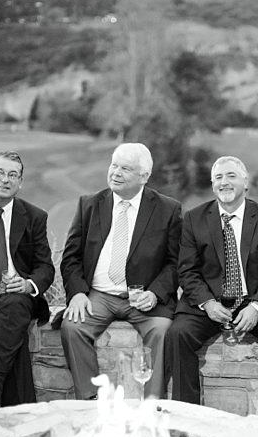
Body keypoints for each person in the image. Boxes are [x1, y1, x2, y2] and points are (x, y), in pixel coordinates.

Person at [166, 156, 258, 417]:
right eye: (218, 178)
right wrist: (207, 303)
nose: (224, 182)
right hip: (210, 301)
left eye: (231, 176)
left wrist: (257, 306)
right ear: (213, 185)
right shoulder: (194, 219)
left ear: (245, 182)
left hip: (256, 299)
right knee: (178, 334)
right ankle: (188, 414)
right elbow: (187, 270)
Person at [59, 143, 182, 400]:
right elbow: (71, 256)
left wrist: (155, 294)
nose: (115, 172)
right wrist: (78, 293)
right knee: (73, 327)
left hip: (143, 298)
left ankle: (152, 403)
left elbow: (175, 262)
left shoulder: (167, 209)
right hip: (99, 295)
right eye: (113, 165)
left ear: (144, 176)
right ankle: (91, 399)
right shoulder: (89, 204)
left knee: (162, 330)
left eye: (125, 168)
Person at [0, 151, 55, 411]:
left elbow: (45, 267)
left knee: (15, 304)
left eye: (12, 175)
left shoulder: (34, 216)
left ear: (20, 182)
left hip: (16, 299)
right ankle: (19, 413)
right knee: (11, 334)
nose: (4, 180)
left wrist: (28, 284)